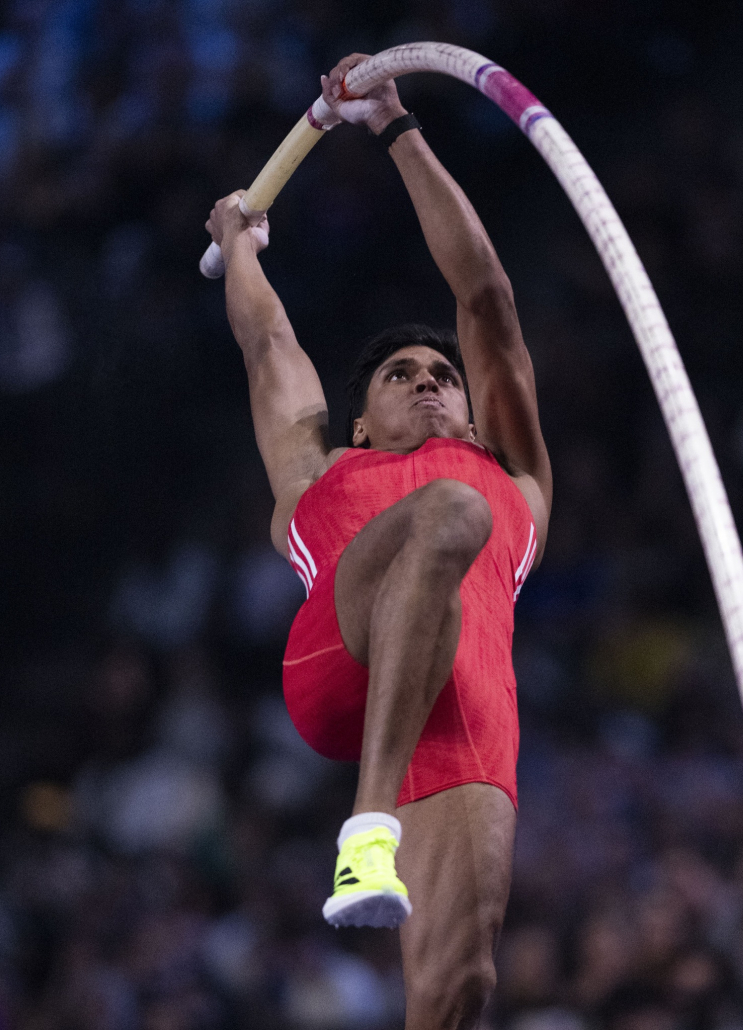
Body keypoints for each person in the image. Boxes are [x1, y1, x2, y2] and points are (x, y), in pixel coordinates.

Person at [206, 53, 552, 1030]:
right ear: (359, 423)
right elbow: (269, 345)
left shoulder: (514, 476)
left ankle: (379, 847)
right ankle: (365, 828)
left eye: (442, 375)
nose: (428, 380)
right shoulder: (319, 474)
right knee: (450, 514)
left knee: (459, 985)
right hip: (339, 665)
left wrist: (396, 127)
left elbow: (485, 297)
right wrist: (238, 242)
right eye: (399, 375)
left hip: (462, 709)